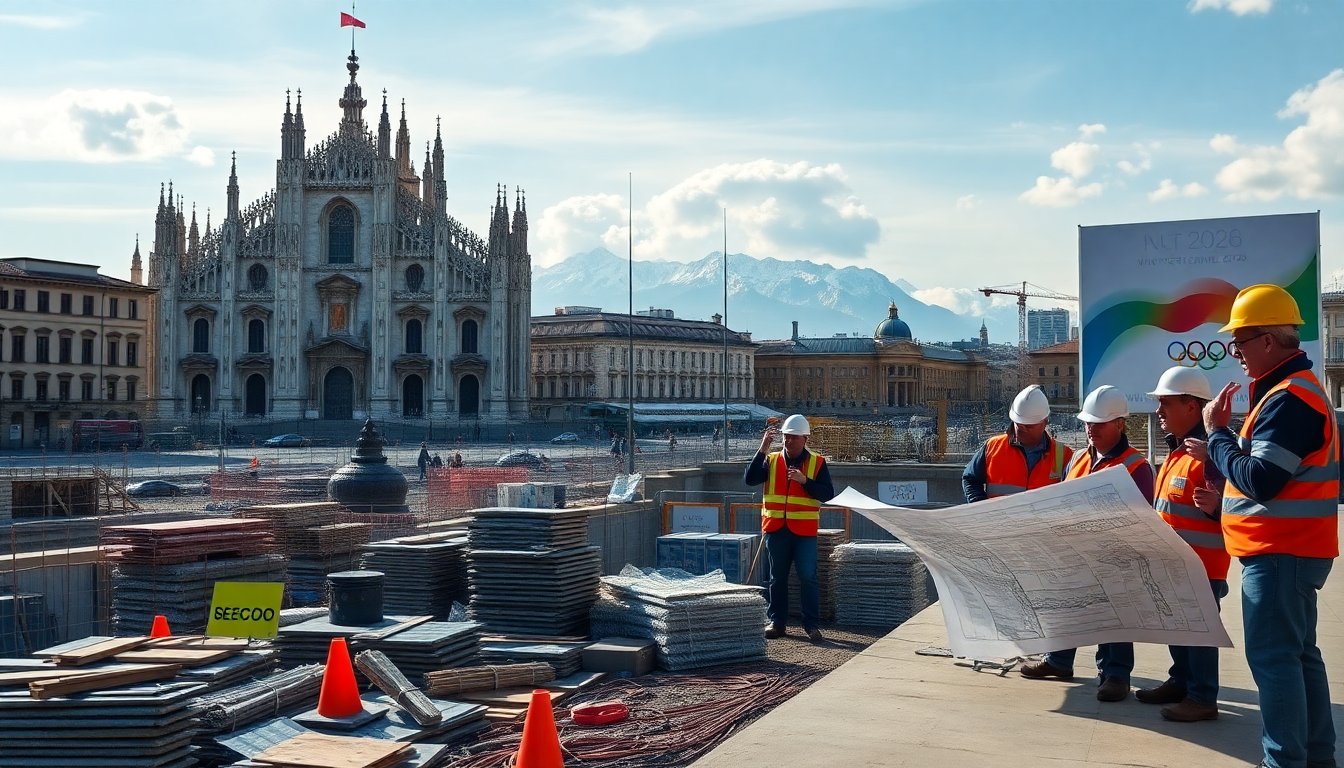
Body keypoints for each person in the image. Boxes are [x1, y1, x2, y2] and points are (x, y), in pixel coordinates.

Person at [1202, 284, 1337, 768]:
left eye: (1239, 340)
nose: (1234, 351)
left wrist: (1217, 434)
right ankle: (1317, 758)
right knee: (1299, 657)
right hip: (1291, 550)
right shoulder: (1291, 392)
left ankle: (1285, 761)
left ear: (1266, 342)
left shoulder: (1290, 399)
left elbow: (1261, 480)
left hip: (1281, 552)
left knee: (1276, 661)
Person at [1020, 385, 1155, 703]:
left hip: (1115, 559)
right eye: (1087, 423)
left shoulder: (1137, 468)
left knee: (1115, 615)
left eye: (1098, 423)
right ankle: (1059, 661)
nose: (1090, 429)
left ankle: (1116, 675)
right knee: (1068, 607)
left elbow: (1141, 522)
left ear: (1120, 424)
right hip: (1075, 553)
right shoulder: (1078, 458)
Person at [1135, 366, 1228, 722]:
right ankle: (1181, 681)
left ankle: (1202, 696)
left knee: (1200, 631)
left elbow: (1237, 506)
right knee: (1179, 626)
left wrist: (1218, 508)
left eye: (1166, 404)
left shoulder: (1211, 454)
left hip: (1203, 565)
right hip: (1176, 563)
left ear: (1191, 406)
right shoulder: (1178, 453)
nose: (1159, 411)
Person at [743, 414, 835, 642]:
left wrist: (805, 482)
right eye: (785, 437)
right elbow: (750, 479)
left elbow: (827, 494)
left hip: (804, 532)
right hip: (776, 529)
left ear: (805, 439)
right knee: (777, 578)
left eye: (793, 438)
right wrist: (762, 449)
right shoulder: (772, 460)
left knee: (808, 576)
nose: (788, 442)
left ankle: (811, 625)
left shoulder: (817, 463)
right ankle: (777, 622)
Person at [962, 384, 1072, 502]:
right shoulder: (993, 447)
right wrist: (979, 506)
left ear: (1045, 422)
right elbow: (970, 479)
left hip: (1043, 520)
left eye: (1029, 426)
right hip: (1000, 519)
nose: (1022, 429)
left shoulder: (1063, 455)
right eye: (1018, 425)